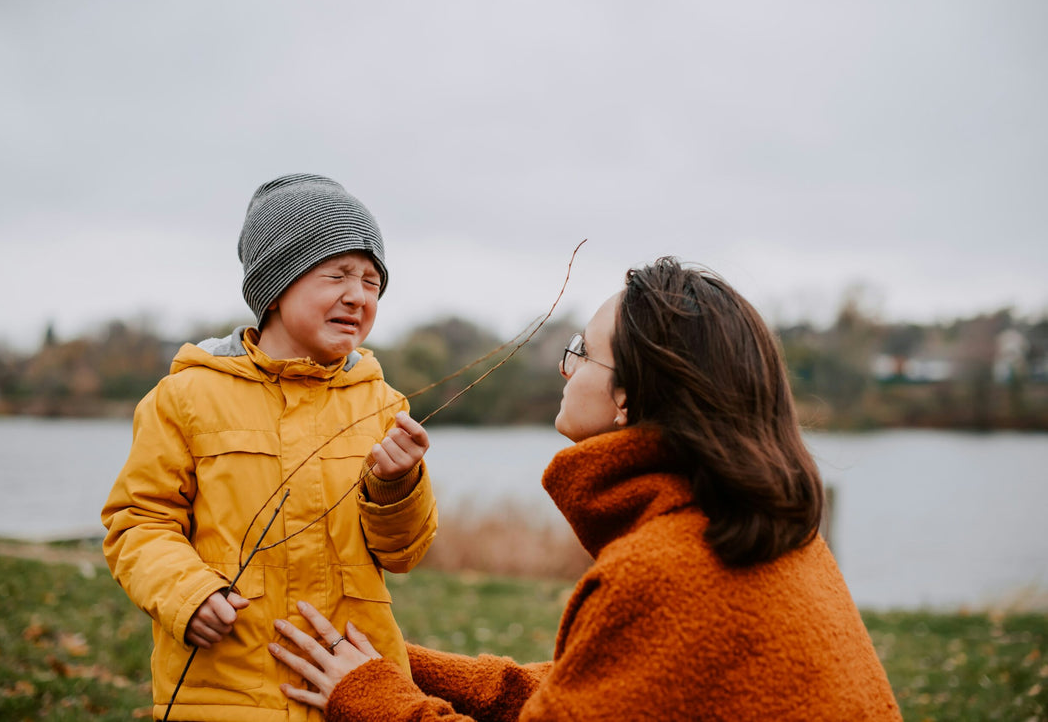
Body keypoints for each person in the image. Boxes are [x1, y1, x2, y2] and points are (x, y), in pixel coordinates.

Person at [265, 257, 903, 720]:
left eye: (582, 351)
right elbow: (594, 691)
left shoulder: (664, 573)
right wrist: (400, 662)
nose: (567, 370)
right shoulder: (766, 533)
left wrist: (376, 698)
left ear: (627, 395)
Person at [101, 173, 439, 721]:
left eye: (372, 282)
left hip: (352, 690)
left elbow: (403, 554)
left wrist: (397, 486)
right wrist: (187, 595)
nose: (358, 295)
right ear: (278, 285)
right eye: (337, 275)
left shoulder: (383, 404)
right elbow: (138, 522)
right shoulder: (186, 396)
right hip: (225, 693)